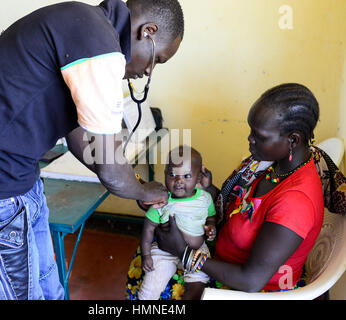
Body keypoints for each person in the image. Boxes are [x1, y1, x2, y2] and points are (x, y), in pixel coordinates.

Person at [0, 0, 184, 300]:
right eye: (158, 59)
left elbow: (80, 138)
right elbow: (111, 169)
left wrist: (134, 185)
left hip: (17, 184)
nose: (148, 71)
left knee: (51, 288)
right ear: (147, 32)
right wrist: (142, 191)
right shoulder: (99, 44)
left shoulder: (85, 28)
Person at [127, 83, 327, 299]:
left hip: (250, 289)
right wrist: (207, 190)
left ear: (293, 140)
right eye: (251, 130)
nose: (250, 139)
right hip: (218, 254)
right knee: (151, 254)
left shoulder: (296, 202)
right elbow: (242, 210)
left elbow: (251, 280)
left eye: (259, 136)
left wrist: (182, 252)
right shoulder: (274, 165)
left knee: (149, 279)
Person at [138, 146, 216, 300]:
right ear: (165, 174)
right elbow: (148, 229)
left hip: (197, 250)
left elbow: (211, 217)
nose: (179, 181)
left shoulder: (205, 198)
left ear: (198, 177)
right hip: (164, 252)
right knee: (150, 289)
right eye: (172, 174)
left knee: (199, 281)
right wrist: (146, 255)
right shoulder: (161, 200)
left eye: (187, 176)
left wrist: (211, 228)